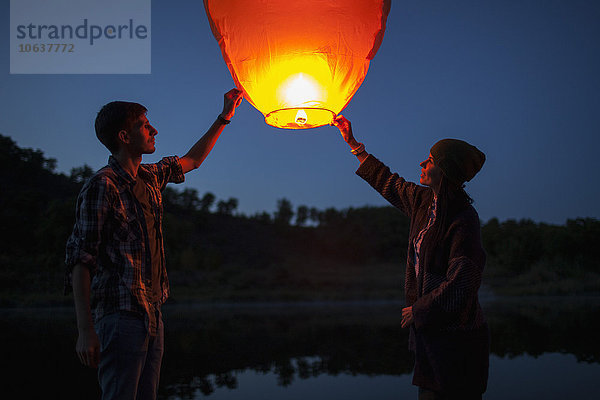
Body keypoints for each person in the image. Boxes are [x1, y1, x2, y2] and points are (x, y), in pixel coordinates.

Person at [64, 88, 243, 400]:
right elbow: (81, 259)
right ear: (124, 136)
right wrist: (85, 330)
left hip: (152, 312)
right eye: (144, 125)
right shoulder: (101, 186)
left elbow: (193, 160)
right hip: (120, 315)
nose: (154, 129)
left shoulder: (150, 177)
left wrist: (224, 116)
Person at [332, 115, 489, 400]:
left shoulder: (464, 219)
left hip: (457, 343)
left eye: (430, 160)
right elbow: (388, 182)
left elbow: (463, 281)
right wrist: (354, 144)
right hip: (430, 337)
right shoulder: (423, 202)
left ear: (445, 170)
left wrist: (420, 310)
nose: (422, 164)